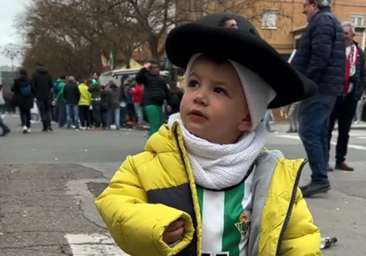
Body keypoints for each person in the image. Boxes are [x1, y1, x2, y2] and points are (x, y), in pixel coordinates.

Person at [96, 13, 320, 256]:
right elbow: (116, 203)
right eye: (194, 83)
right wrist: (152, 224)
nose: (199, 96)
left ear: (246, 118)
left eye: (219, 90)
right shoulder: (149, 164)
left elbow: (299, 239)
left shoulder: (273, 178)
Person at [292, 0, 346, 197]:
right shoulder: (330, 21)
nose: (303, 10)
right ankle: (321, 176)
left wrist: (306, 82)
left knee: (309, 130)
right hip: (328, 87)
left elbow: (320, 56)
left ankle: (320, 178)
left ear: (314, 5)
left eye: (305, 6)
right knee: (320, 132)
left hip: (320, 88)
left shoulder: (322, 22)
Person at [327, 21, 365, 172]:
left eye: (346, 33)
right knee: (327, 129)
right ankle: (324, 160)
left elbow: (362, 75)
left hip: (350, 96)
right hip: (334, 95)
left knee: (344, 130)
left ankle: (340, 160)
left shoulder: (359, 52)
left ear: (352, 35)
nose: (343, 36)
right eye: (341, 33)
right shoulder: (334, 50)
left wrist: (357, 93)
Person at [136, 59, 171, 138]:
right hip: (149, 103)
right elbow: (138, 77)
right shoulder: (146, 77)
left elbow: (166, 91)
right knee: (155, 125)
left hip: (159, 103)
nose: (155, 69)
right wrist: (144, 68)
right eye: (152, 68)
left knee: (158, 125)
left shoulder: (161, 79)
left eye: (156, 67)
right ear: (149, 69)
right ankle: (152, 144)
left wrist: (169, 103)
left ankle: (153, 141)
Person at [11, 68, 34, 134]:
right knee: (28, 112)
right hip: (28, 98)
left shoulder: (17, 81)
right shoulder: (30, 80)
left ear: (20, 73)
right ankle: (29, 127)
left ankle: (24, 126)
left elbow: (12, 89)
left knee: (22, 112)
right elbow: (33, 89)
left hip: (20, 99)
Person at [32, 63, 54, 131]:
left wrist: (35, 93)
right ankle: (49, 124)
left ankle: (45, 125)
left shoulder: (35, 75)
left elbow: (33, 85)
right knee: (48, 110)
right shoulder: (48, 74)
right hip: (48, 95)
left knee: (42, 111)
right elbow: (51, 84)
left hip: (39, 96)